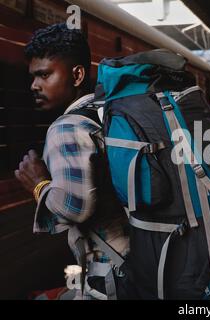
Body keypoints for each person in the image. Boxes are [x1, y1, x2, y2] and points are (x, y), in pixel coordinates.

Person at [14, 23, 128, 299]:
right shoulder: (106, 113)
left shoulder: (66, 127)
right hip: (142, 258)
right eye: (32, 77)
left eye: (44, 75)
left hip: (111, 272)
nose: (34, 85)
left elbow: (74, 208)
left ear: (77, 75)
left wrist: (39, 184)